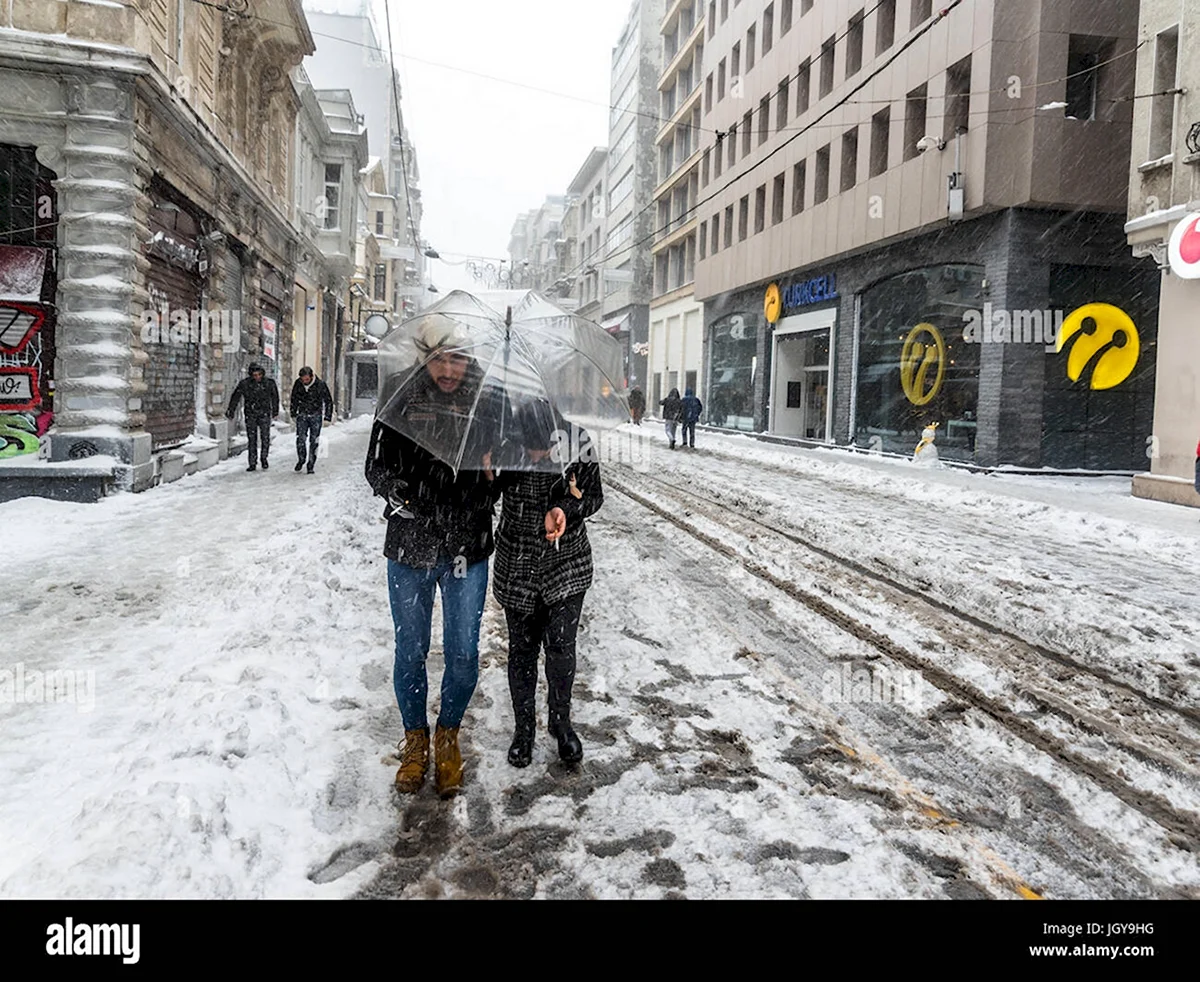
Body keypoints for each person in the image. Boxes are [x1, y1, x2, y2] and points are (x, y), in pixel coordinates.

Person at [364, 331, 503, 798]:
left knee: (463, 653)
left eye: (458, 360)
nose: (448, 370)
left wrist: (493, 474)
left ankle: (447, 737)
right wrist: (398, 491)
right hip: (411, 545)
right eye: (440, 359)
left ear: (469, 361)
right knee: (411, 650)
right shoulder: (401, 394)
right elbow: (375, 467)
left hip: (468, 543)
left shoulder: (489, 402)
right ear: (427, 358)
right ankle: (415, 743)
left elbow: (506, 470)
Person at [493, 401, 603, 768]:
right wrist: (491, 474)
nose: (539, 455)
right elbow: (485, 497)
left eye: (546, 449)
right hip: (517, 562)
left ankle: (561, 721)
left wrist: (565, 511)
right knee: (522, 651)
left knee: (560, 647)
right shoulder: (503, 442)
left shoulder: (579, 442)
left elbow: (593, 496)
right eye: (532, 450)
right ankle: (524, 729)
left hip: (566, 563)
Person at [226, 362, 279, 471]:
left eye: (259, 375)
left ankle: (264, 457)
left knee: (265, 437)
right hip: (251, 413)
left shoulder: (269, 383)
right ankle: (252, 462)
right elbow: (236, 397)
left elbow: (275, 397)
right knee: (252, 438)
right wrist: (231, 410)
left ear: (262, 374)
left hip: (264, 412)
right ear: (251, 375)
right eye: (255, 375)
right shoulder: (245, 384)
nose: (257, 377)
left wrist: (275, 410)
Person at [289, 366, 333, 474]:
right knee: (301, 439)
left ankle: (311, 464)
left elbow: (328, 401)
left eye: (307, 379)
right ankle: (301, 459)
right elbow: (294, 399)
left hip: (315, 415)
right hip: (302, 414)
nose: (305, 382)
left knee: (314, 441)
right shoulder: (298, 384)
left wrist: (327, 416)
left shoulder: (320, 385)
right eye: (303, 380)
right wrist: (293, 413)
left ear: (311, 376)